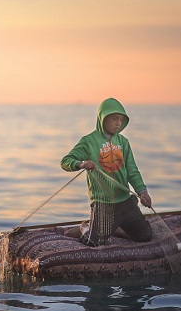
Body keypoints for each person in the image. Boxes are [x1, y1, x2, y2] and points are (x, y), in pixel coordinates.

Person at [61, 98, 153, 246]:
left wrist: (142, 191)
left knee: (145, 236)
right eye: (114, 119)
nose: (118, 123)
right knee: (93, 242)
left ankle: (115, 228)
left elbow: (132, 170)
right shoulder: (88, 141)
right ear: (102, 118)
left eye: (121, 120)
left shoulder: (123, 142)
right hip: (103, 203)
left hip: (125, 201)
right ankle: (85, 227)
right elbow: (65, 161)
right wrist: (81, 164)